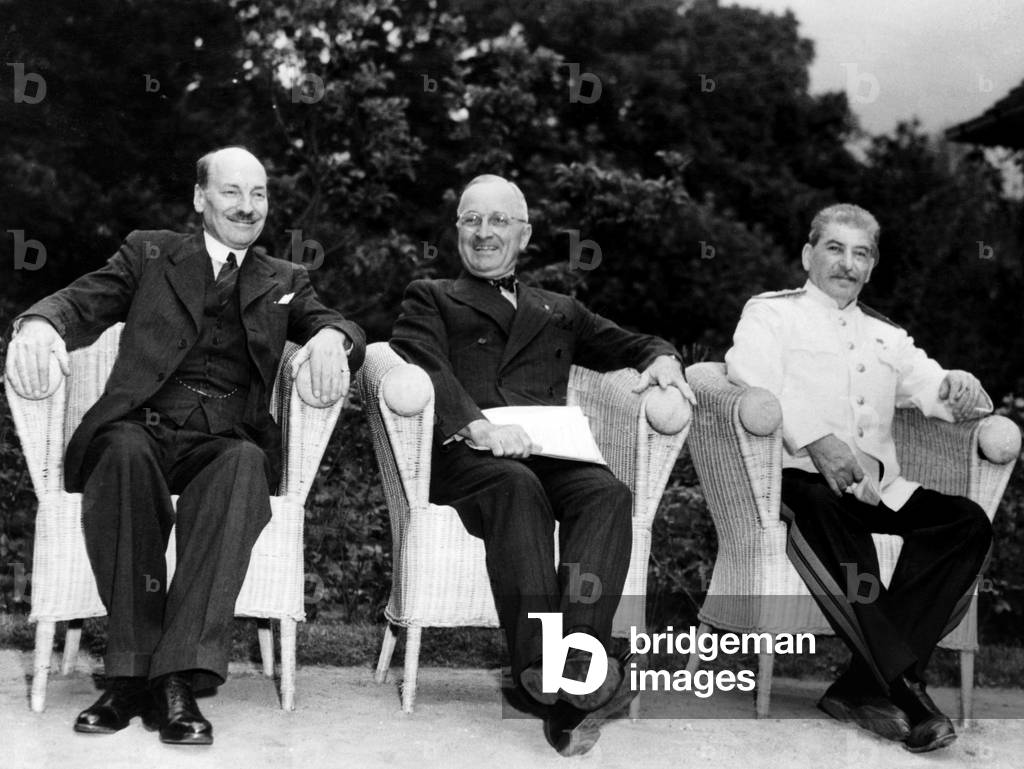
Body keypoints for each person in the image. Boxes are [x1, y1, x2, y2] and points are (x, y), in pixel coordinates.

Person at [5, 146, 365, 745]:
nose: (247, 207)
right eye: (232, 192)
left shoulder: (284, 278)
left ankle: (175, 678)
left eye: (258, 194)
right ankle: (128, 676)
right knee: (122, 454)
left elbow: (341, 323)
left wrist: (331, 337)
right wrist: (40, 324)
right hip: (141, 425)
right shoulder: (150, 252)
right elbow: (80, 301)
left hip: (225, 437)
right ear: (201, 198)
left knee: (245, 466)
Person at [389, 174, 692, 755]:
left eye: (498, 221)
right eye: (471, 220)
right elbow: (422, 361)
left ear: (524, 236)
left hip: (550, 450)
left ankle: (571, 667)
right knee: (515, 485)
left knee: (608, 493)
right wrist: (479, 426)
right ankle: (547, 667)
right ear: (457, 230)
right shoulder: (431, 295)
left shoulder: (558, 309)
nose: (483, 232)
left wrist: (664, 359)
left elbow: (631, 344)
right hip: (470, 456)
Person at [725, 203, 993, 753]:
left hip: (877, 490)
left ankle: (859, 687)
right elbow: (748, 374)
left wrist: (959, 383)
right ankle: (906, 694)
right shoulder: (772, 314)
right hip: (797, 478)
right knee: (827, 514)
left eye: (860, 254)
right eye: (834, 248)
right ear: (808, 255)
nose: (847, 264)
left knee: (966, 522)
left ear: (871, 267)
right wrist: (816, 439)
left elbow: (936, 388)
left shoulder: (886, 335)